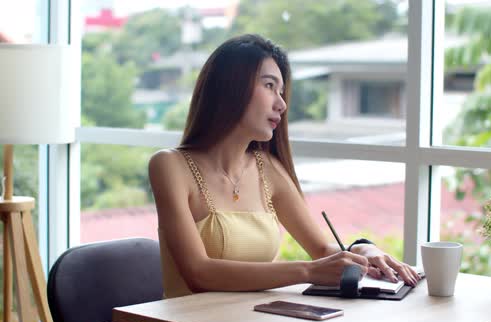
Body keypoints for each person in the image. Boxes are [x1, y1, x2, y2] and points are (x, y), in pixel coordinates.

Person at [149, 34, 420, 299]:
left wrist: (364, 251)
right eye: (269, 86)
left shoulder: (267, 168)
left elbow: (322, 249)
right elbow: (199, 273)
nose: (282, 104)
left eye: (281, 91)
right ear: (231, 86)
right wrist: (307, 271)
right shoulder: (170, 166)